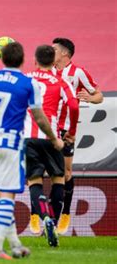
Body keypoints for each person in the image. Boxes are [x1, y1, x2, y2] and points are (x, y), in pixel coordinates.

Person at [0, 42, 63, 259]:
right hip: (11, 145)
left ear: (1, 58)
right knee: (8, 196)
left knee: (3, 197)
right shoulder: (27, 83)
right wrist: (54, 138)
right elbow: (39, 117)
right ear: (24, 60)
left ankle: (15, 245)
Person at [25, 45, 79, 247]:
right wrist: (72, 131)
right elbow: (73, 105)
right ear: (53, 61)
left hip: (28, 138)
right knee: (58, 180)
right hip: (52, 138)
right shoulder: (61, 82)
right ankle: (54, 223)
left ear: (34, 60)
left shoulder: (25, 79)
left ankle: (44, 217)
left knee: (34, 182)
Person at [48, 37, 104, 235]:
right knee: (49, 171)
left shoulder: (78, 72)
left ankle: (65, 212)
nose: (50, 51)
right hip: (48, 128)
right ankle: (47, 214)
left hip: (67, 130)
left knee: (66, 172)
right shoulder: (48, 70)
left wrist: (90, 97)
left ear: (64, 53)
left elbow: (99, 95)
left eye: (53, 49)